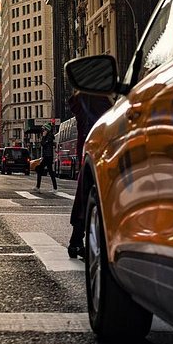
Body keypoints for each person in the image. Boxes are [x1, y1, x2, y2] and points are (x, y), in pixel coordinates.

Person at [67, 91, 113, 258]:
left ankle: (76, 241)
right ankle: (78, 242)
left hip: (90, 150)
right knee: (89, 194)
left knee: (85, 194)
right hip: (97, 150)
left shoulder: (86, 98)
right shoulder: (95, 98)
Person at [35, 125, 57, 191]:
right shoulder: (49, 136)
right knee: (50, 172)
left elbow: (43, 144)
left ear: (47, 130)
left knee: (40, 170)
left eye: (44, 130)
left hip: (48, 156)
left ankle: (38, 187)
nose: (43, 131)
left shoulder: (49, 137)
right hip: (47, 156)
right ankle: (54, 188)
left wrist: (44, 137)